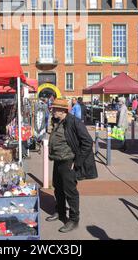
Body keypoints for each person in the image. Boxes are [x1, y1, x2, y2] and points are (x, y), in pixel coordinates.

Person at [46, 98, 97, 233]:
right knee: (58, 187)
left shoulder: (74, 121)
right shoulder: (57, 121)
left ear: (63, 110)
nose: (52, 111)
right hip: (58, 159)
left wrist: (78, 161)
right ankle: (60, 212)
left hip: (68, 161)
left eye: (55, 109)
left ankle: (74, 220)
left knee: (70, 191)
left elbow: (87, 141)